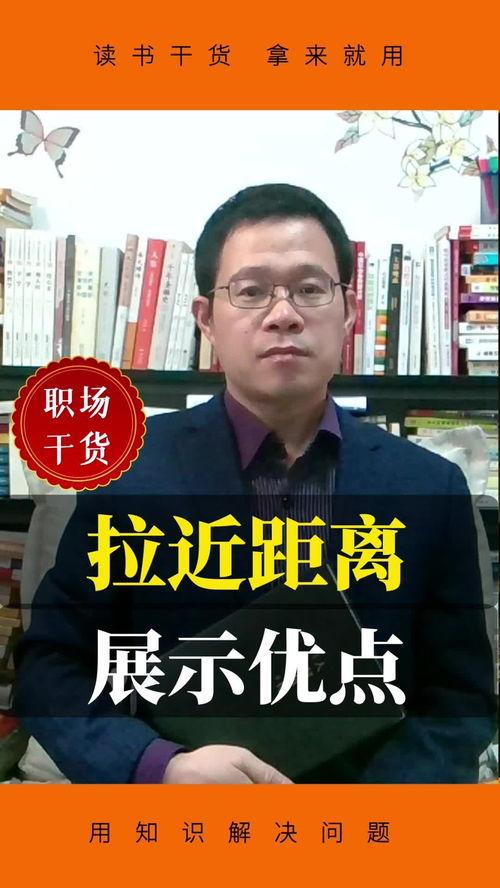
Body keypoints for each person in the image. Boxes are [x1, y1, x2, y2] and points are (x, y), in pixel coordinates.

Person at [14, 183, 496, 784]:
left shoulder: (430, 488)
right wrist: (157, 766)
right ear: (206, 321)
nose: (283, 313)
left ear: (348, 311)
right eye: (250, 291)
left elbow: (459, 698)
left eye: (310, 289)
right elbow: (52, 665)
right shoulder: (127, 474)